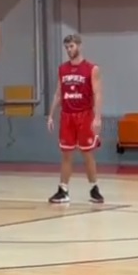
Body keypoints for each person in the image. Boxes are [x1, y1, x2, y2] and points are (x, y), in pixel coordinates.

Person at [47, 34, 104, 204]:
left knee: (87, 153)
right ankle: (63, 190)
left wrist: (97, 117)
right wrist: (50, 115)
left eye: (71, 46)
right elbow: (58, 93)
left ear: (79, 46)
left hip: (85, 115)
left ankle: (94, 188)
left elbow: (97, 93)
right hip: (67, 116)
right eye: (66, 47)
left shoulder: (91, 68)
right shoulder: (62, 69)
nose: (69, 50)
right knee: (66, 154)